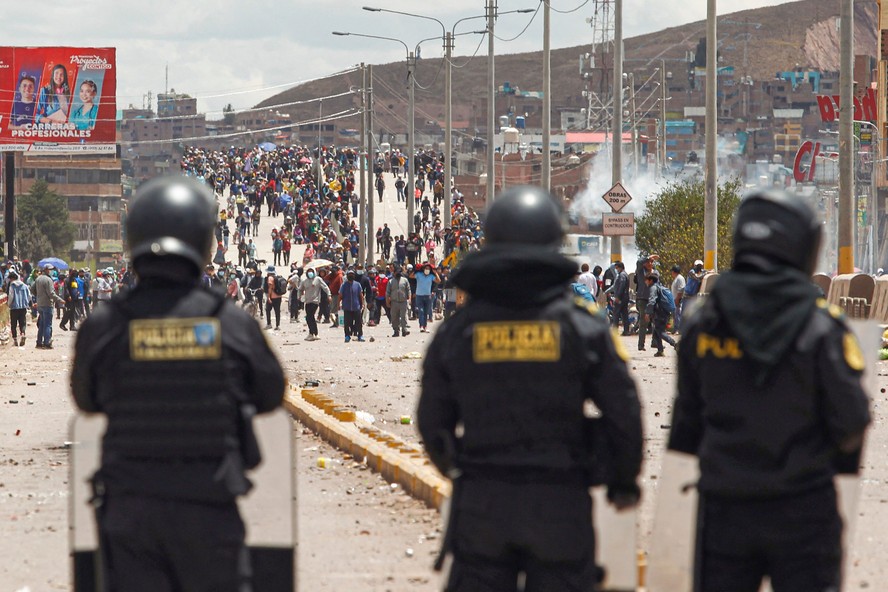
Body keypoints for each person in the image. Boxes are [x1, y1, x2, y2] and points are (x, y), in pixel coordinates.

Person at [418, 185, 642, 591]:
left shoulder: (458, 330)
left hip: (483, 502)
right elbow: (624, 409)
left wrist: (459, 467)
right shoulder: (583, 326)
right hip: (560, 502)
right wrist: (621, 480)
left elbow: (432, 419)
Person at [70, 175, 286, 592]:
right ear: (204, 241)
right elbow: (270, 392)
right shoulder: (230, 322)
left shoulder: (105, 323)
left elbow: (86, 399)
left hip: (129, 511)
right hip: (209, 509)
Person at [668, 189, 871, 592]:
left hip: (724, 510)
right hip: (803, 511)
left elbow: (686, 426)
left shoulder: (702, 322)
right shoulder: (823, 329)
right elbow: (851, 423)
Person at [31, 264, 65, 349]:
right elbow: (51, 293)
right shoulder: (49, 280)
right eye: (50, 269)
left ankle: (39, 342)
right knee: (47, 325)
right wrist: (59, 300)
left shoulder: (38, 278)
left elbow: (32, 289)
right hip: (47, 304)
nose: (52, 271)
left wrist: (38, 296)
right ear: (46, 270)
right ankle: (47, 342)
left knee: (42, 324)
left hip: (40, 304)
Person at [643, 271, 676, 357]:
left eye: (646, 280)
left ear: (650, 280)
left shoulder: (653, 288)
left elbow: (652, 300)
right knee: (656, 331)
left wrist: (647, 313)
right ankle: (660, 350)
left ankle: (674, 344)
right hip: (664, 312)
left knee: (660, 332)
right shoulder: (659, 286)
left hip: (659, 313)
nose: (645, 282)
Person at [299, 267, 330, 341]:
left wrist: (329, 295)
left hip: (315, 301)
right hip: (307, 301)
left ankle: (311, 333)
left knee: (310, 316)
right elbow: (300, 289)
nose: (310, 273)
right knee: (310, 317)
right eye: (309, 271)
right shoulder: (305, 281)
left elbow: (325, 287)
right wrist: (299, 296)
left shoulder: (318, 279)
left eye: (311, 271)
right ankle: (315, 333)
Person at [634, 254, 658, 351]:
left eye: (651, 262)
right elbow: (639, 262)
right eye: (648, 262)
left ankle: (655, 342)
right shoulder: (640, 272)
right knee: (643, 322)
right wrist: (649, 256)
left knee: (656, 321)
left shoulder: (655, 272)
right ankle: (641, 345)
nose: (649, 263)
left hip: (653, 299)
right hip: (642, 299)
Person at [413, 262, 440, 333]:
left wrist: (435, 273)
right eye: (426, 268)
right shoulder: (419, 275)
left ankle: (425, 327)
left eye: (428, 268)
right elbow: (411, 276)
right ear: (423, 269)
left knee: (426, 312)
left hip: (428, 296)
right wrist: (417, 269)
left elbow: (438, 280)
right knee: (421, 311)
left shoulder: (431, 276)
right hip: (419, 295)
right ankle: (421, 326)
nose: (427, 270)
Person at [6, 271, 31, 347]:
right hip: (23, 307)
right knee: (22, 322)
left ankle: (15, 339)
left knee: (14, 324)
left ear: (12, 278)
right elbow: (29, 296)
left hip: (14, 308)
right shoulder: (24, 286)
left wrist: (8, 304)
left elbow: (11, 297)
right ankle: (23, 334)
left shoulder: (12, 286)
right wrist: (26, 302)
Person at [386, 264, 411, 337]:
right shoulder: (391, 281)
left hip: (403, 301)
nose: (398, 273)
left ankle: (404, 330)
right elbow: (387, 293)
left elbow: (408, 290)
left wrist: (409, 299)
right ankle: (396, 331)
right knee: (394, 317)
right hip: (394, 302)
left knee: (404, 316)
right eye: (397, 272)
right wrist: (387, 301)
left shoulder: (405, 280)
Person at [340, 269, 365, 342]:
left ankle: (360, 335)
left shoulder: (357, 284)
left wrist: (362, 304)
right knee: (347, 323)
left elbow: (361, 295)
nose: (351, 276)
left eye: (352, 275)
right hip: (347, 307)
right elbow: (340, 295)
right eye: (349, 275)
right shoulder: (344, 285)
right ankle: (347, 336)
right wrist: (339, 304)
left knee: (359, 322)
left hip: (356, 306)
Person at [607, 261, 631, 335]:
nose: (616, 269)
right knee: (624, 315)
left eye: (617, 268)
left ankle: (615, 331)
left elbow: (621, 286)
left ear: (620, 267)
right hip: (624, 297)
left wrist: (618, 297)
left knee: (616, 314)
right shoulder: (624, 274)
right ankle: (626, 331)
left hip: (621, 298)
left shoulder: (622, 275)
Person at [264, 265, 285, 330]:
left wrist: (269, 297)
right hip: (279, 296)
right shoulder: (276, 277)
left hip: (272, 297)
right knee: (277, 311)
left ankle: (269, 324)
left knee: (268, 310)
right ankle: (277, 325)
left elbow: (270, 288)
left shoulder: (270, 278)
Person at [669, 264, 685, 333]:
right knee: (675, 316)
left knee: (678, 315)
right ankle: (675, 329)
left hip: (678, 300)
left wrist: (677, 299)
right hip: (675, 300)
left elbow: (680, 290)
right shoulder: (676, 279)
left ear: (674, 271)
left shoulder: (680, 278)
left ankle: (678, 329)